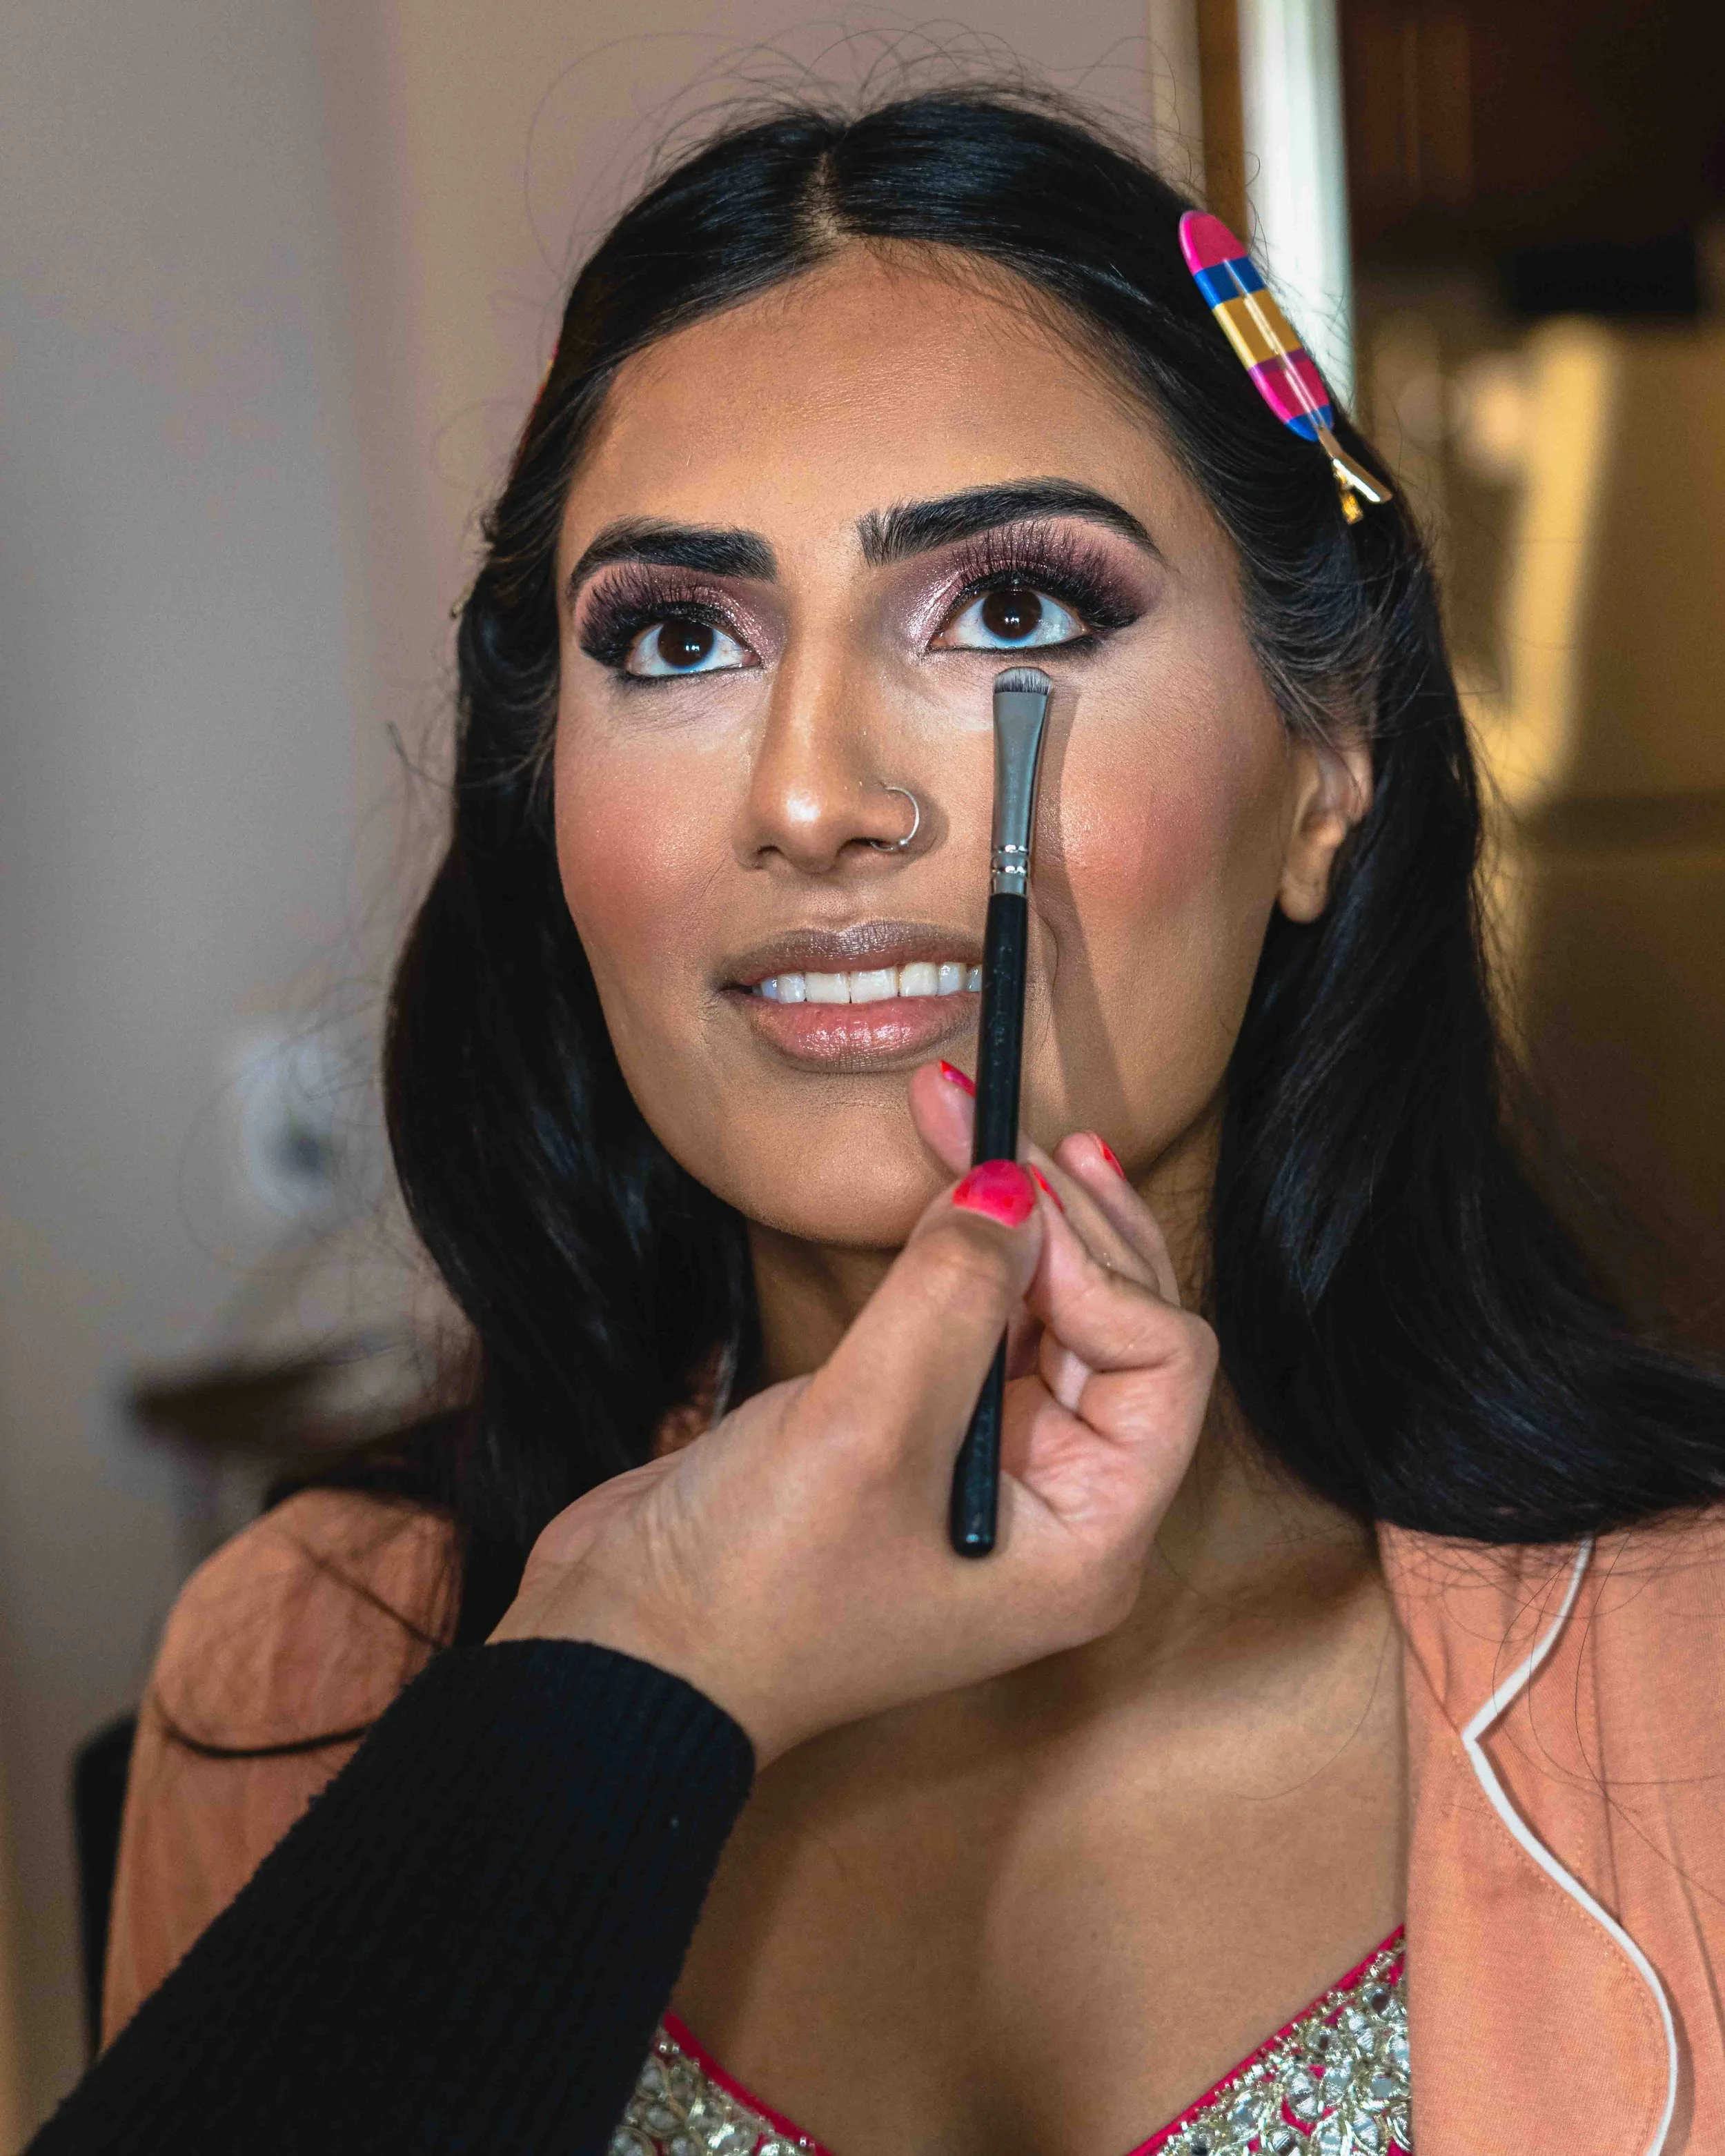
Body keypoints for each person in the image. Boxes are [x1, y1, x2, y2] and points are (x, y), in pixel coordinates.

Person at [48, 86, 1725, 2156]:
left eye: (1014, 610)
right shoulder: (310, 1658)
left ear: (1325, 764)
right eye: (675, 639)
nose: (814, 793)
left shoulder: (1688, 1680)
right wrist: (623, 1656)